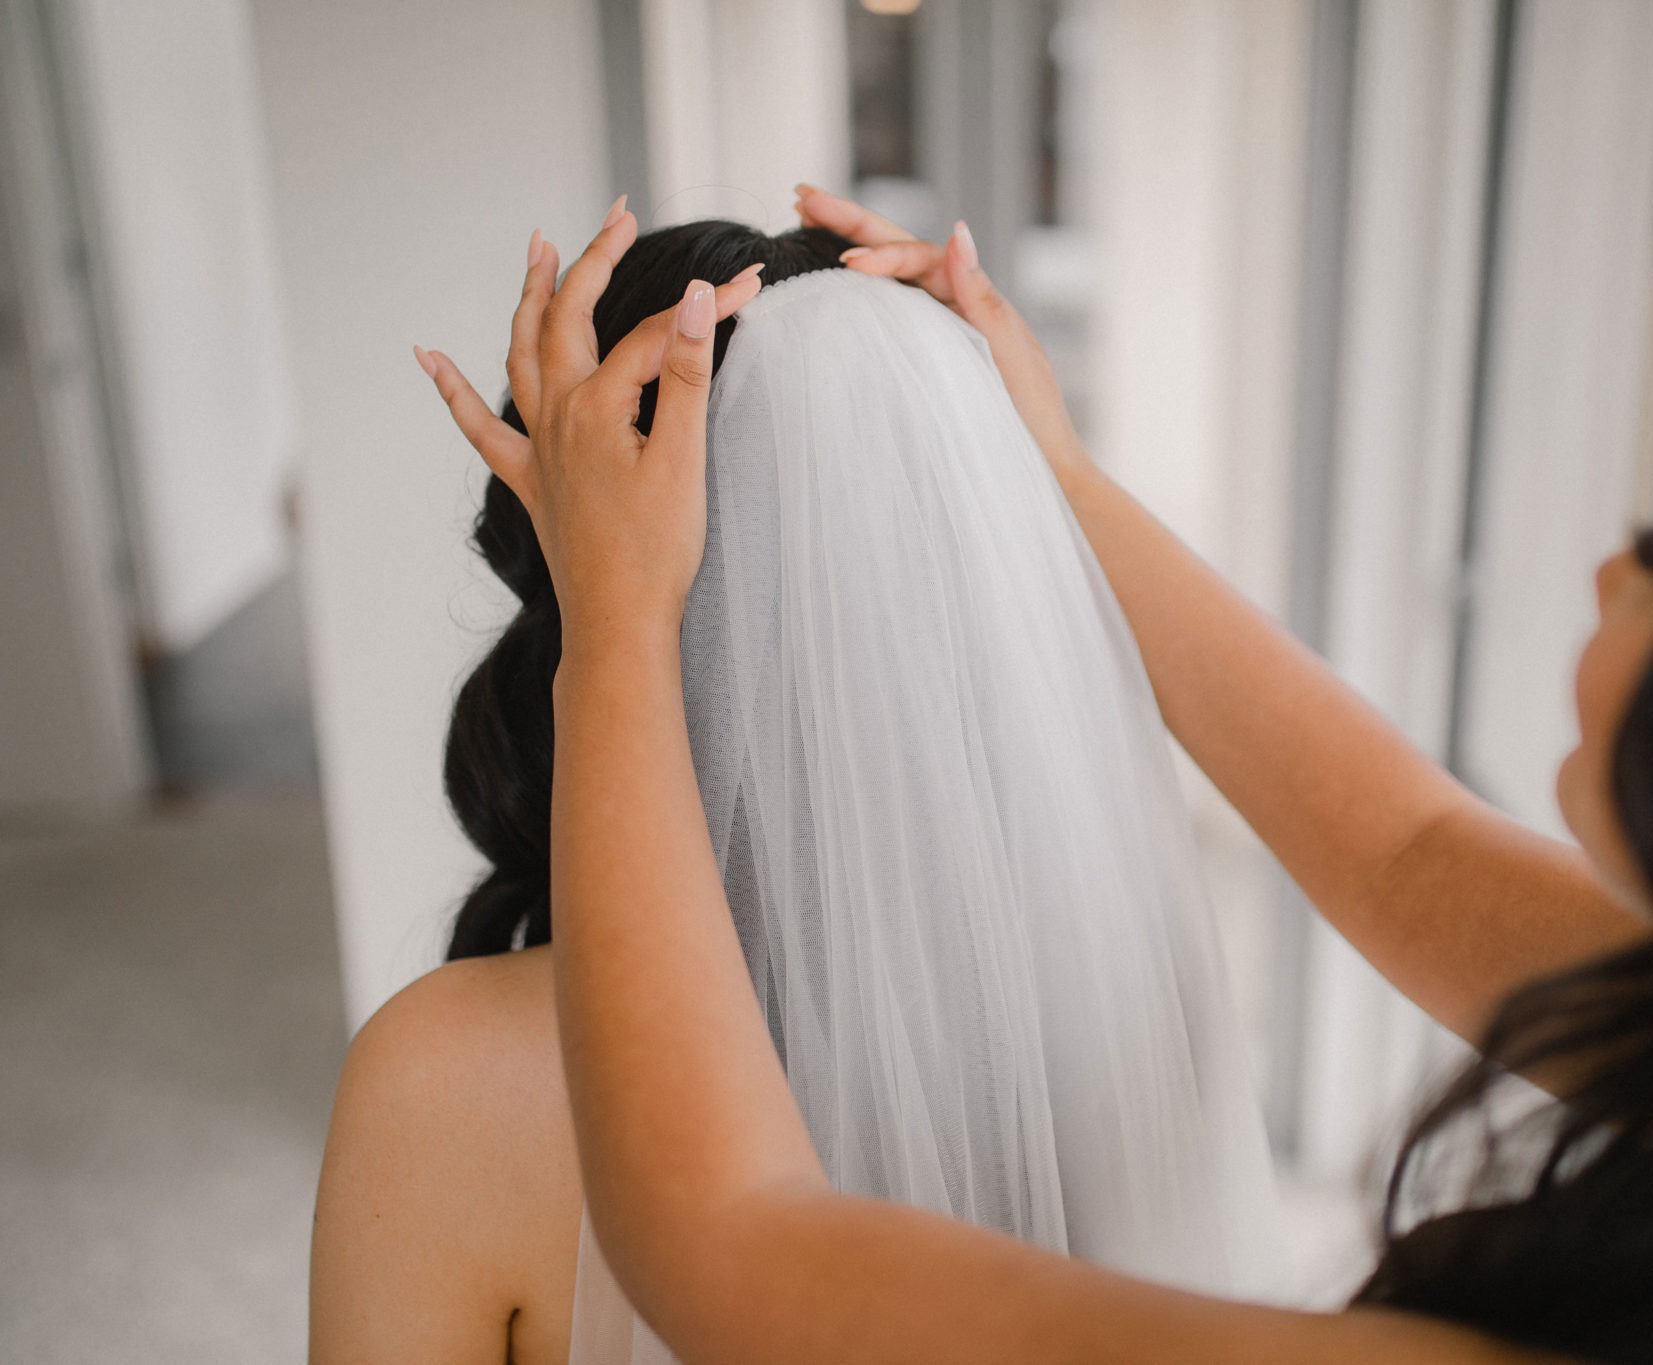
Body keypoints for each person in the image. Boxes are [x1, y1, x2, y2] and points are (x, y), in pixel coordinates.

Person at [406, 186, 1653, 1364]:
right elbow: (1402, 847)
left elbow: (734, 1253)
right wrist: (1048, 472)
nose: (1606, 572)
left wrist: (615, 630)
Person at [310, 215, 1294, 1365]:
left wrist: (615, 617)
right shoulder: (1133, 1024)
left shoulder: (445, 1088)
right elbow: (1409, 846)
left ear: (570, 575)